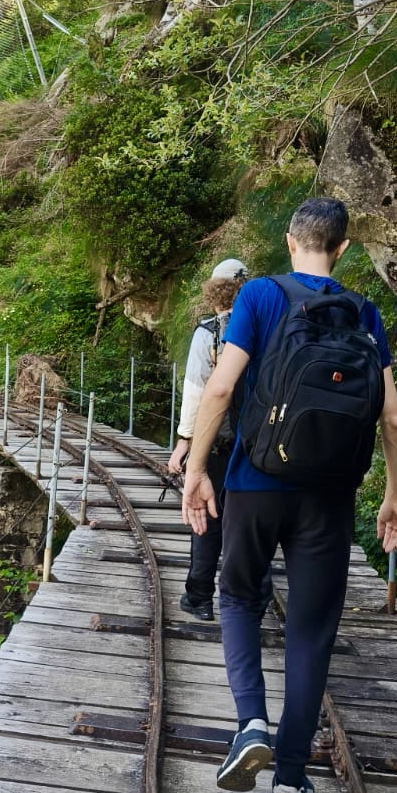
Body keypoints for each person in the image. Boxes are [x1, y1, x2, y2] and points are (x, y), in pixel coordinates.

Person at [181, 197, 397, 793]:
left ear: (289, 241)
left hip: (256, 481)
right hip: (330, 496)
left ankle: (249, 721)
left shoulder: (256, 297)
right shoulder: (364, 311)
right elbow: (392, 416)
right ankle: (288, 784)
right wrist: (395, 494)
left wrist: (197, 470)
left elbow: (222, 387)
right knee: (311, 635)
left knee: (237, 597)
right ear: (341, 248)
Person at [168, 257, 249, 622]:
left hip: (215, 444)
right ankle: (245, 602)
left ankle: (198, 597)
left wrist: (185, 442)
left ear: (215, 292)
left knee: (206, 517)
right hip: (258, 445)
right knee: (246, 522)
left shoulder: (209, 333)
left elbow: (196, 392)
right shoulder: (269, 326)